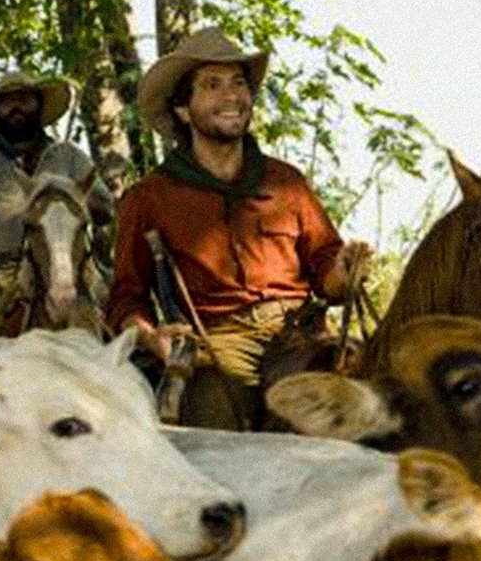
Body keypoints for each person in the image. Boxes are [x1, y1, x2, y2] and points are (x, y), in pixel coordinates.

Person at [105, 27, 372, 428]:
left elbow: (325, 272)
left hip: (301, 330)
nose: (232, 96)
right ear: (183, 109)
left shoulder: (287, 182)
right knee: (213, 415)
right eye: (212, 85)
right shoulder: (149, 198)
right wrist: (151, 336)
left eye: (239, 83)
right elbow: (127, 298)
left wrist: (344, 271)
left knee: (378, 396)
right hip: (219, 339)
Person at [0, 71, 114, 341]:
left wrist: (77, 195)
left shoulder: (69, 155)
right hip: (1, 272)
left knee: (124, 318)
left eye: (24, 99)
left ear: (39, 105)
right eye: (6, 102)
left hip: (73, 266)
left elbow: (106, 212)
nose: (15, 107)